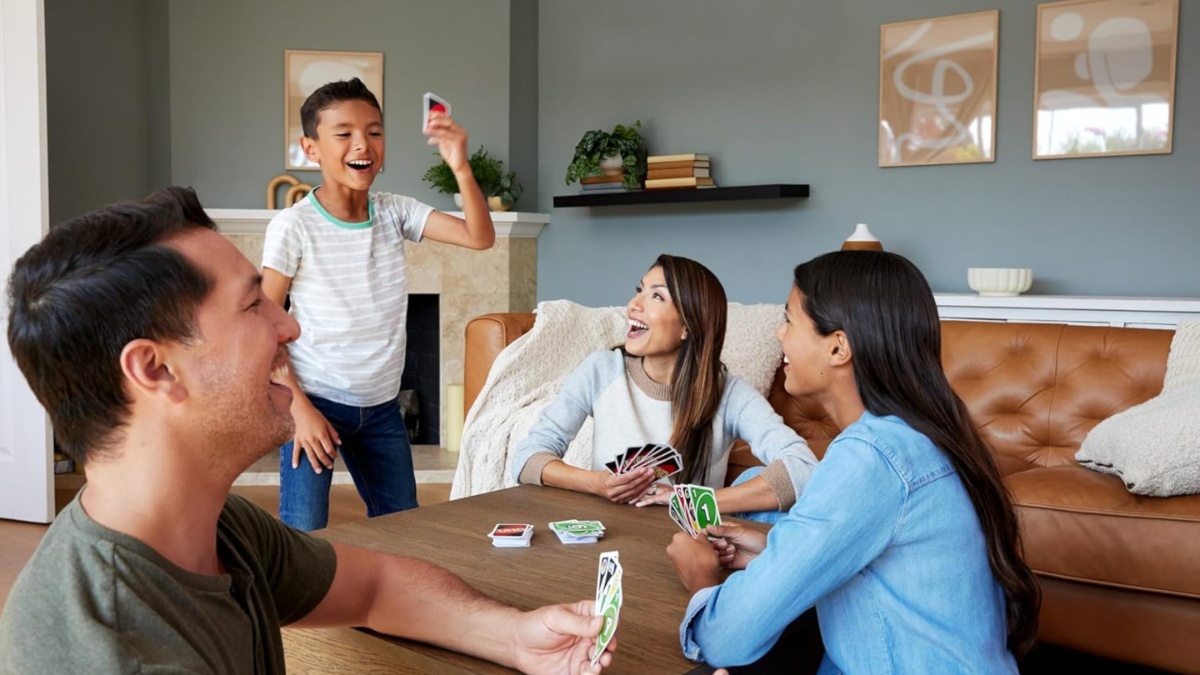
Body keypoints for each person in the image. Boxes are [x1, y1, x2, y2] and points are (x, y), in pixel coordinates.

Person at [0, 188, 613, 675]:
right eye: (252, 306)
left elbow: (376, 586)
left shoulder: (216, 527)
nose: (289, 329)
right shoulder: (116, 653)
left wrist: (516, 636)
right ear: (155, 369)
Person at [666, 250, 1041, 673]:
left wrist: (701, 580)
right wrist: (771, 548)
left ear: (839, 347)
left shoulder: (870, 457)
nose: (778, 335)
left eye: (789, 319)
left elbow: (726, 636)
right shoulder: (922, 434)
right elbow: (880, 556)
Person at [262, 78, 496, 530]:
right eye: (344, 133)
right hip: (314, 402)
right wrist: (298, 409)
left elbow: (479, 237)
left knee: (404, 531)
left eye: (374, 131)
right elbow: (264, 326)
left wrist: (460, 168)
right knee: (304, 533)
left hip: (383, 408)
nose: (362, 144)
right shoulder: (294, 226)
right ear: (311, 149)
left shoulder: (396, 212)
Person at [511, 254, 817, 519]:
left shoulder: (728, 394)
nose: (634, 305)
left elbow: (802, 467)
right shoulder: (601, 370)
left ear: (688, 326)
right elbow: (527, 458)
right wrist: (597, 483)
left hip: (685, 546)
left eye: (656, 296)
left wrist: (692, 501)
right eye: (639, 291)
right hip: (605, 538)